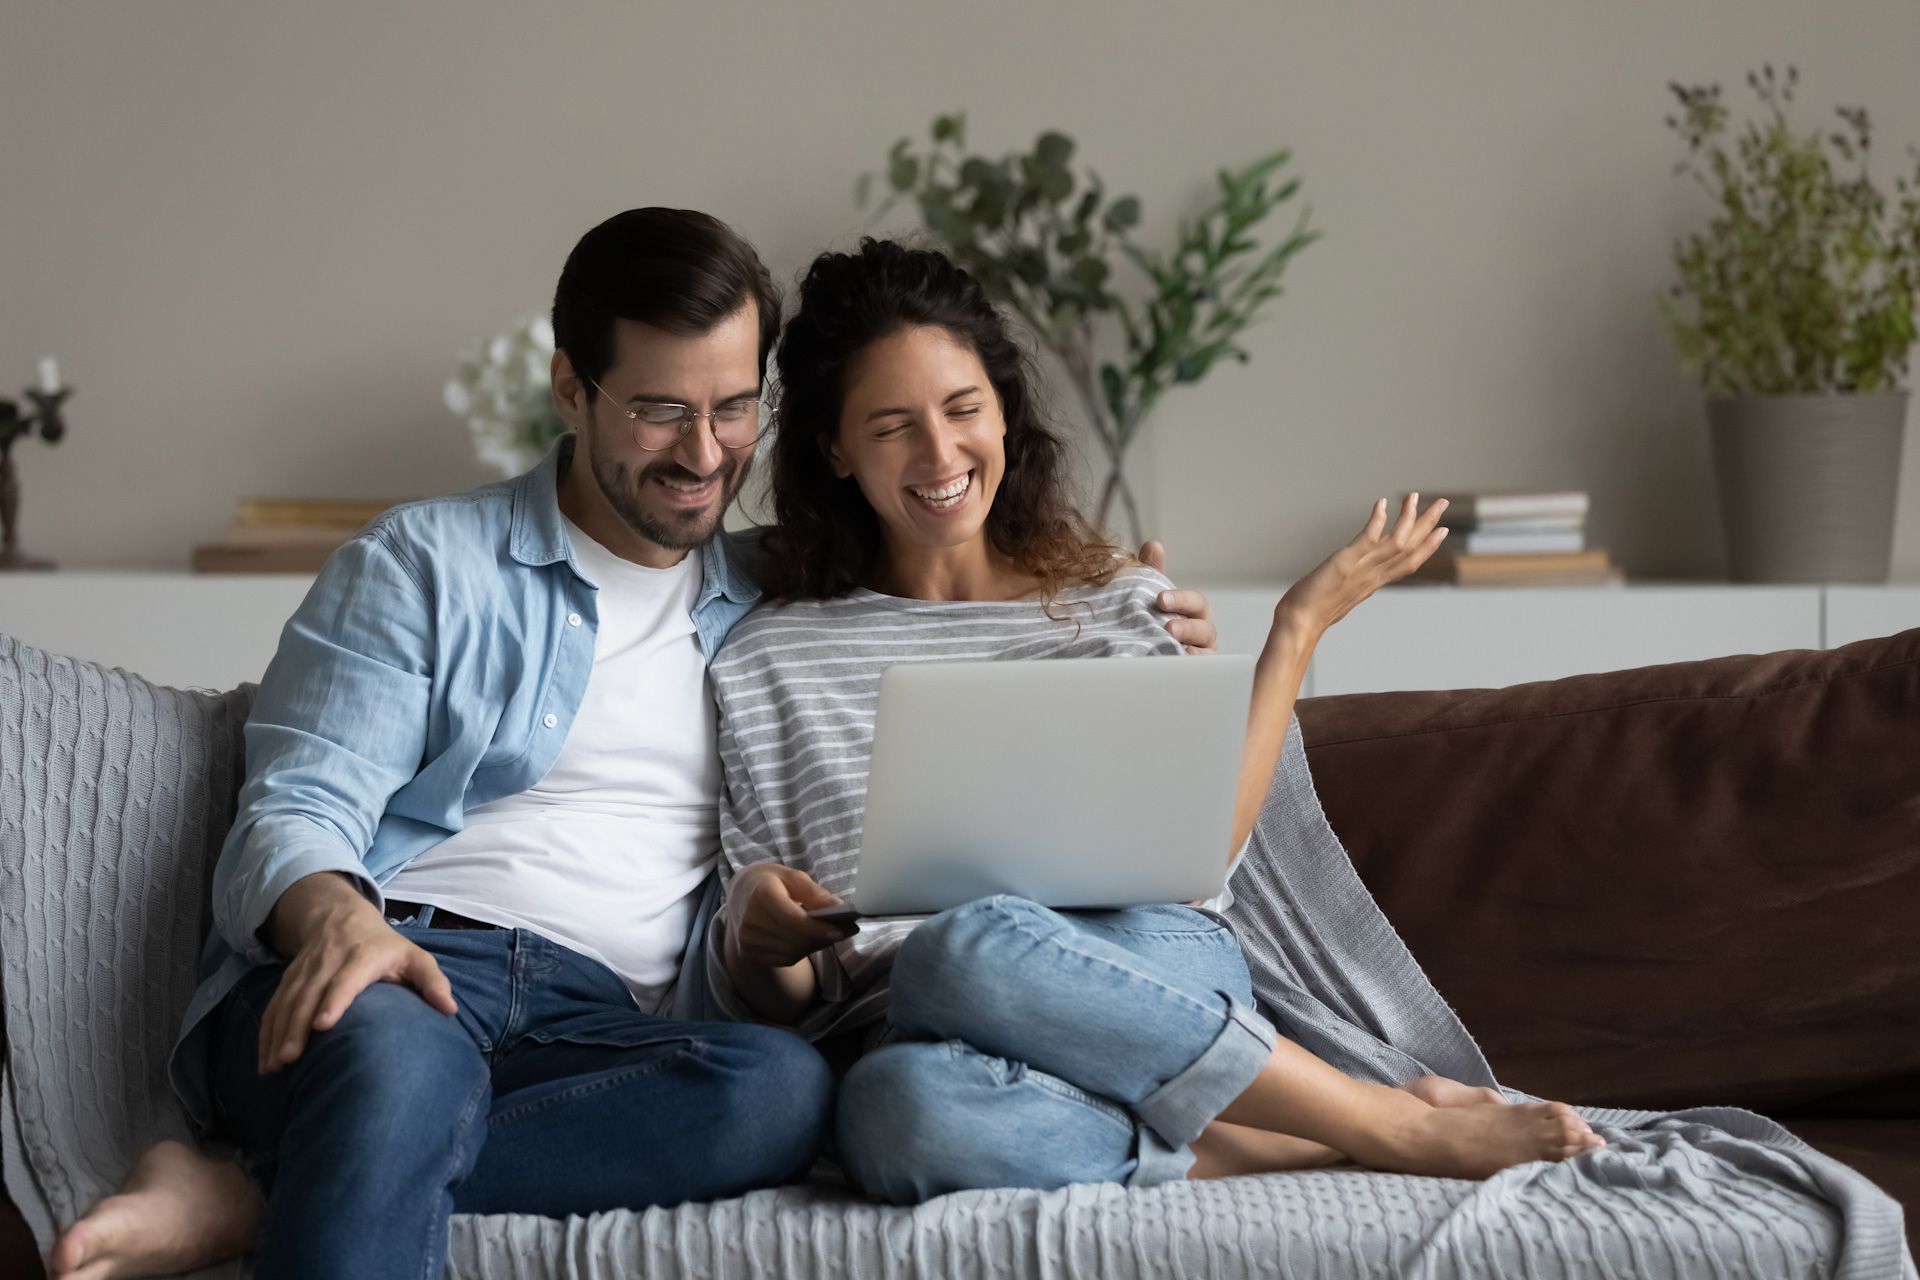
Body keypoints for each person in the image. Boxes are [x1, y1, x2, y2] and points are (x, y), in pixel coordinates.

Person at [47, 209, 1223, 1280]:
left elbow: (946, 570)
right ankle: (322, 1147)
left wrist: (1118, 594)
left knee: (782, 1091)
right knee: (402, 1062)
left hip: (599, 1028)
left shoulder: (778, 599)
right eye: (661, 409)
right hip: (397, 964)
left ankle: (255, 1196)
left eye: (732, 409)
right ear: (573, 386)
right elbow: (296, 803)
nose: (705, 454)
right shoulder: (423, 561)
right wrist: (343, 918)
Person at [708, 238, 1607, 1204]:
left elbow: (1202, 856)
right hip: (909, 1025)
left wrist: (1292, 634)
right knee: (893, 1115)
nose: (940, 454)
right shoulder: (768, 660)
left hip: (1146, 960)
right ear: (835, 449)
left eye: (964, 409)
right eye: (891, 427)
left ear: (1004, 411)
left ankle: (1381, 1118)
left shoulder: (1119, 602)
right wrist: (752, 942)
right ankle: (1316, 1137)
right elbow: (795, 994)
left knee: (961, 945)